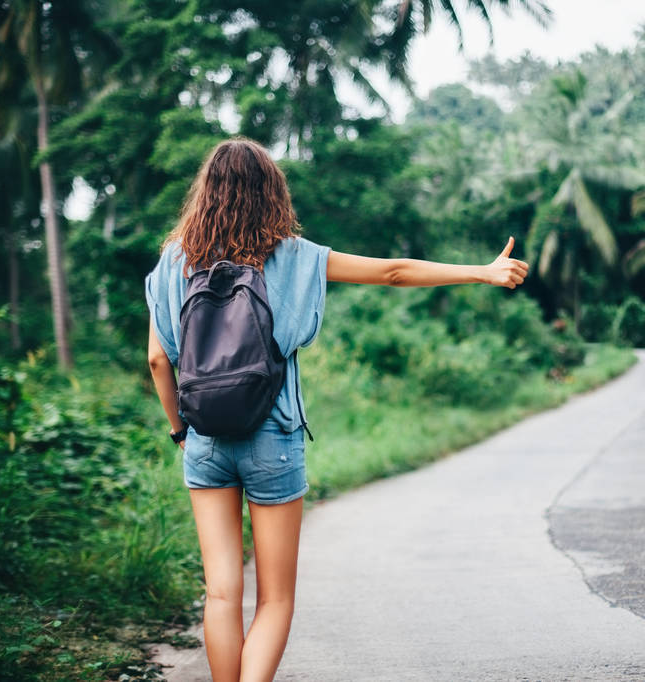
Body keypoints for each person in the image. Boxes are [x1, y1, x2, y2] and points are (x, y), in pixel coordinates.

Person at [144, 137, 528, 682]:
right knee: (275, 599)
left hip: (204, 440)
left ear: (204, 192)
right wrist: (482, 271)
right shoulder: (294, 256)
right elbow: (393, 272)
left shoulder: (174, 260)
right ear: (271, 192)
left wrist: (181, 433)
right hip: (274, 437)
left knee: (222, 593)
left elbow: (158, 360)